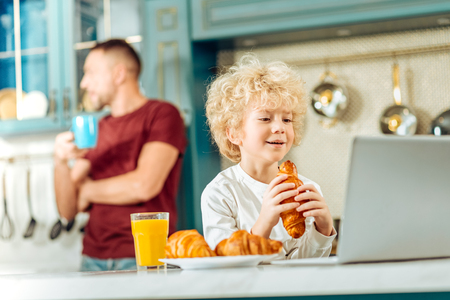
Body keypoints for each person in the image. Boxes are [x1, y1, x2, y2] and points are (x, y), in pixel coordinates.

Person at [54, 39, 187, 271]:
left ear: (118, 74)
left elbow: (143, 186)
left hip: (144, 257)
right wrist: (60, 162)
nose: (84, 83)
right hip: (91, 259)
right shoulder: (98, 128)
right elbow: (68, 209)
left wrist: (87, 190)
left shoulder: (162, 115)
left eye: (90, 73)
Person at [202, 54, 336, 259]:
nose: (279, 127)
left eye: (287, 119)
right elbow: (224, 264)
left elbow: (306, 266)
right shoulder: (220, 193)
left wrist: (324, 229)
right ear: (234, 133)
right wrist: (264, 222)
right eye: (265, 118)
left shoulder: (307, 190)